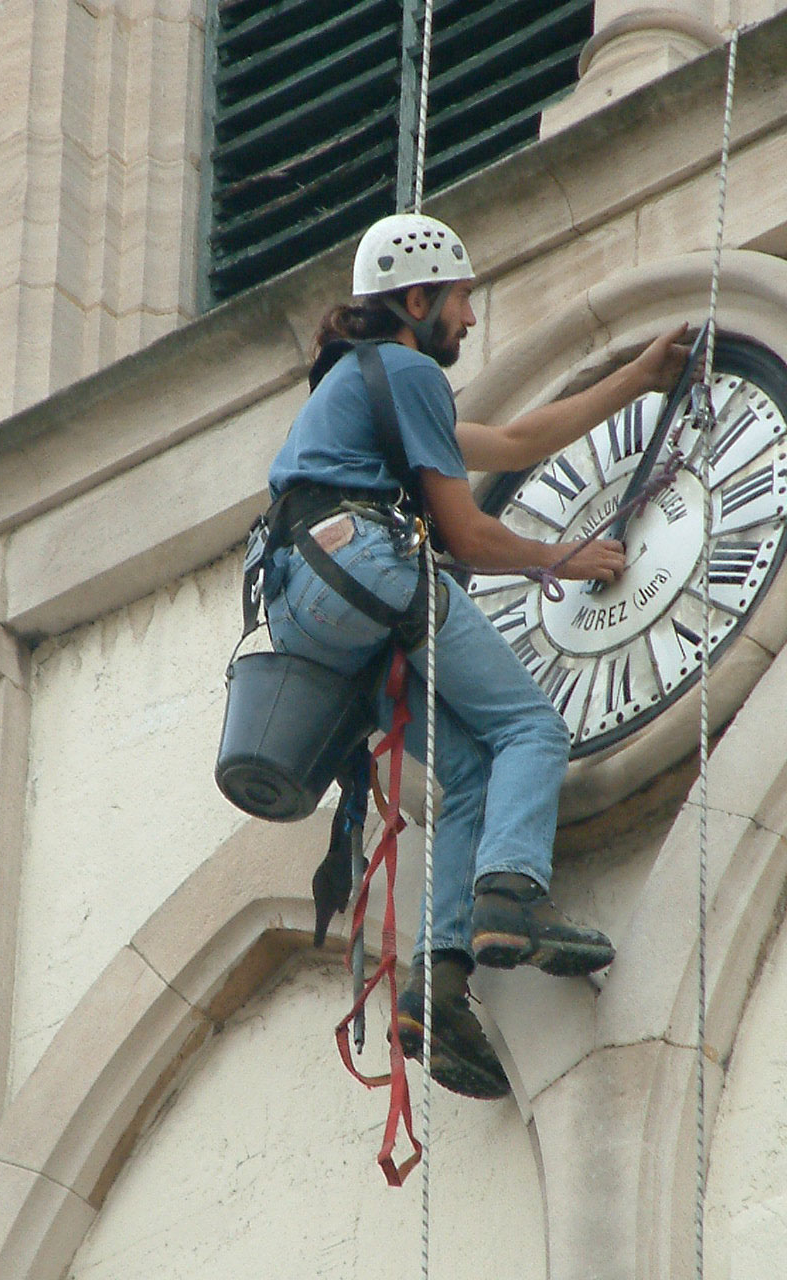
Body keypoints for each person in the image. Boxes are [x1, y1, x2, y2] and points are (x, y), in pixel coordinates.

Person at [263, 213, 690, 1100]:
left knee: (466, 771)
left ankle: (438, 983)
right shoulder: (410, 371)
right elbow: (463, 532)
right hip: (364, 566)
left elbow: (518, 442)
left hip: (309, 606)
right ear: (415, 301)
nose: (470, 317)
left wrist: (636, 379)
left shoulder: (366, 390)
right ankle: (510, 895)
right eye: (459, 298)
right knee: (531, 727)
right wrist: (561, 559)